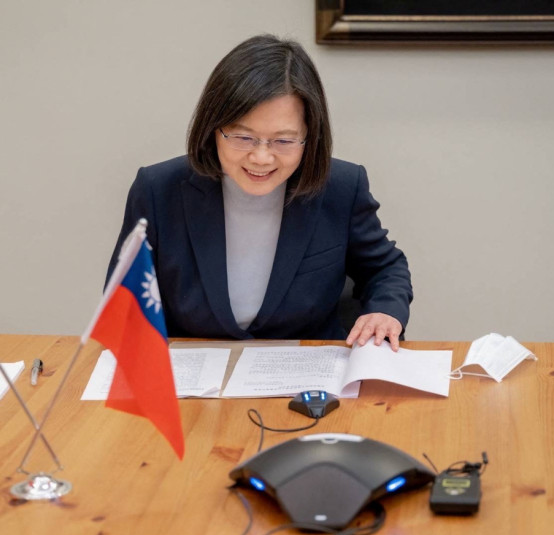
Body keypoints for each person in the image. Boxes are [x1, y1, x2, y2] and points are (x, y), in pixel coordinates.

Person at [106, 35, 412, 351]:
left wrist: (385, 311)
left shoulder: (341, 188)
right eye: (243, 137)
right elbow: (125, 302)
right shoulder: (158, 190)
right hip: (190, 381)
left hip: (305, 377)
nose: (261, 158)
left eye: (283, 141)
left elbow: (384, 267)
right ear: (213, 129)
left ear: (311, 136)